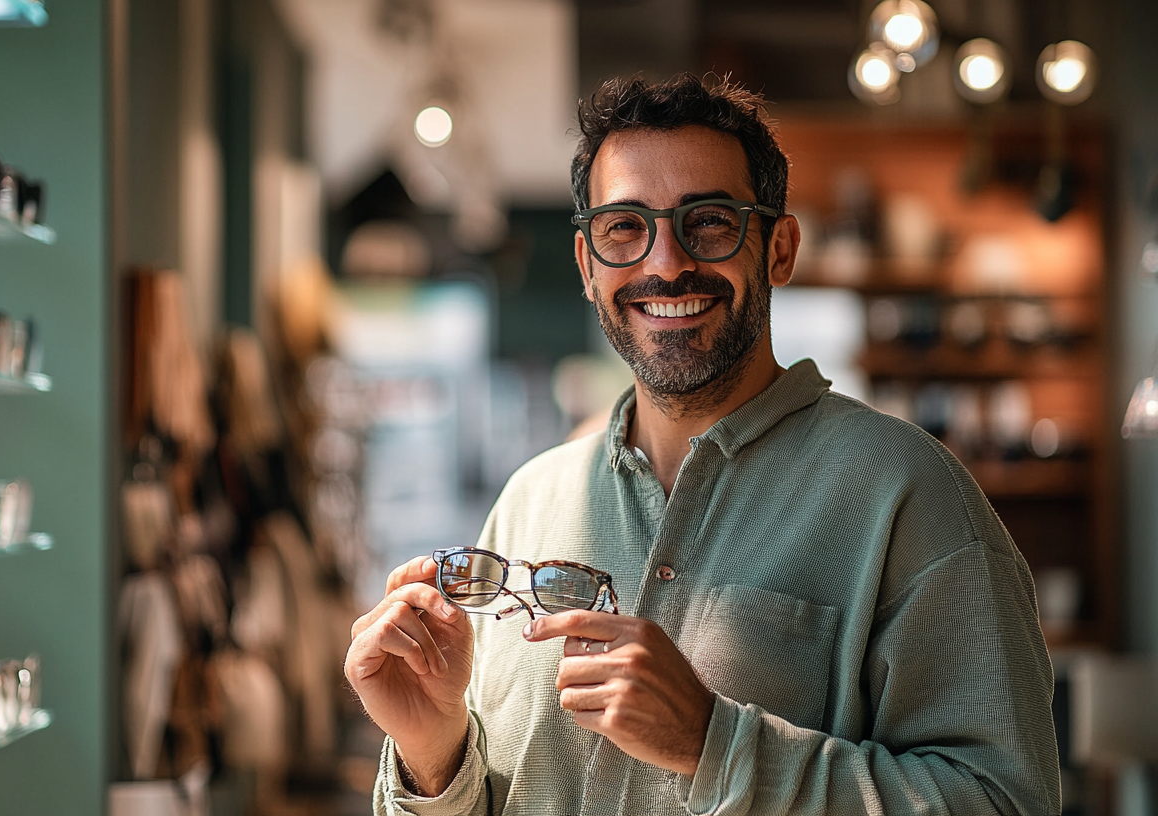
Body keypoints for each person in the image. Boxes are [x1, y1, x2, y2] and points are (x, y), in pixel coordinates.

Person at [344, 74, 1061, 816]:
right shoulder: (531, 499)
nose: (664, 263)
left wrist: (713, 746)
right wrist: (435, 759)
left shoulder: (911, 496)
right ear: (589, 266)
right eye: (625, 227)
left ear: (778, 250)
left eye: (710, 221)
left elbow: (1004, 802)